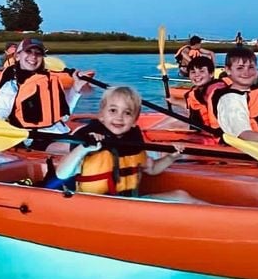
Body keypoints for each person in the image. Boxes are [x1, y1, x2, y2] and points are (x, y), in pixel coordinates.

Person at [51, 86, 193, 201]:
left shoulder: (132, 141)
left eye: (127, 113)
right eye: (113, 110)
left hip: (128, 203)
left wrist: (171, 157)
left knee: (181, 195)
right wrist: (84, 148)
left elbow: (152, 169)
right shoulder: (88, 139)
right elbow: (62, 174)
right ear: (101, 115)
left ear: (134, 121)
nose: (119, 117)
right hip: (95, 206)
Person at [0, 37, 88, 151]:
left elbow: (63, 116)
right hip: (35, 139)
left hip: (62, 133)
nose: (33, 56)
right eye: (28, 51)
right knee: (84, 148)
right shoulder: (11, 87)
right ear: (17, 56)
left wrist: (76, 88)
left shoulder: (50, 81)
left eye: (38, 53)